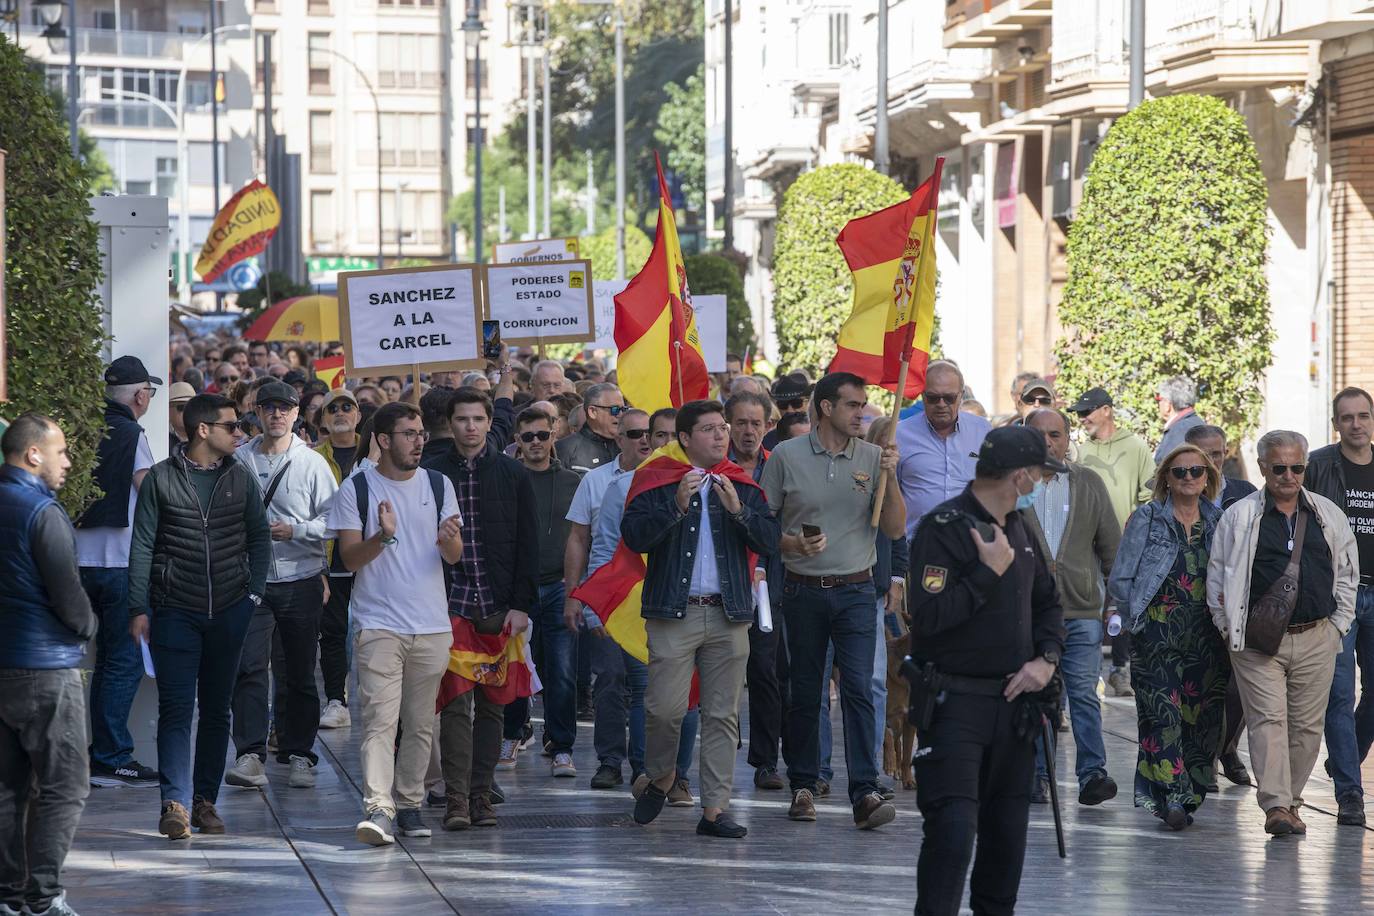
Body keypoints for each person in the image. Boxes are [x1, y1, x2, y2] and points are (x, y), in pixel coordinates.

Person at [906, 425, 1066, 915]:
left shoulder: (1020, 526)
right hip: (955, 704)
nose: (1042, 480)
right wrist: (986, 572)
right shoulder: (945, 527)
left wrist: (1046, 659)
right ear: (1020, 475)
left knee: (1005, 842)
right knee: (953, 832)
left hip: (1014, 707)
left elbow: (1048, 603)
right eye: (1039, 472)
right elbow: (929, 619)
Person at [625, 400, 780, 838]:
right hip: (674, 613)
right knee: (664, 710)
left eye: (723, 428)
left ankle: (715, 810)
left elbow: (769, 540)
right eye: (710, 429)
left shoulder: (742, 485)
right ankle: (660, 776)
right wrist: (675, 505)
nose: (721, 436)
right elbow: (634, 536)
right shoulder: (657, 480)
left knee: (722, 716)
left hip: (729, 613)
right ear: (685, 439)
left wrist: (739, 512)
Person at [760, 371, 905, 830]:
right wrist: (789, 546)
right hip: (802, 591)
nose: (862, 412)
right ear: (825, 408)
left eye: (864, 404)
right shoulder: (785, 455)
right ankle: (804, 784)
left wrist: (891, 477)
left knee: (860, 690)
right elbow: (763, 525)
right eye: (852, 405)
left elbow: (896, 529)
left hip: (858, 591)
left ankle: (864, 790)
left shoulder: (873, 455)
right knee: (805, 691)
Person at [127, 394, 271, 839]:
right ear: (203, 430)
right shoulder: (162, 479)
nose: (239, 433)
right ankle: (174, 802)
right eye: (231, 426)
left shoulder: (241, 478)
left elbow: (260, 538)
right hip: (175, 611)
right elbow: (143, 545)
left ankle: (204, 802)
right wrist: (138, 606)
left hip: (230, 608)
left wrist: (252, 595)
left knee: (215, 711)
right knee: (175, 710)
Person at [1208, 430, 1358, 836]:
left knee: (1308, 727)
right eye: (1279, 468)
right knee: (1268, 720)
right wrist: (1228, 629)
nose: (1289, 476)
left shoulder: (1328, 514)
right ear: (1262, 469)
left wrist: (1337, 626)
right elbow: (1218, 577)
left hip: (1317, 636)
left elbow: (1347, 575)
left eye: (1297, 468)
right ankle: (1275, 804)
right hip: (1257, 643)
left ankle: (1291, 801)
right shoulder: (1240, 516)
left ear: (1304, 468)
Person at [327, 401, 464, 846]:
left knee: (422, 722)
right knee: (381, 721)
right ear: (383, 440)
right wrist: (383, 536)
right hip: (378, 623)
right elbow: (348, 559)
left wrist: (451, 544)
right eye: (408, 433)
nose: (419, 440)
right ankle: (378, 807)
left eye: (421, 432)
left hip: (431, 625)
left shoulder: (440, 484)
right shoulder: (358, 488)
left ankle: (409, 804)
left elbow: (454, 557)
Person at [0, 415, 97, 916]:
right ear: (33, 454)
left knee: (9, 787)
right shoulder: (41, 510)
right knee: (64, 784)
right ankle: (41, 898)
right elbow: (69, 596)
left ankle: (9, 896)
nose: (68, 461)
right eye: (60, 452)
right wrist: (87, 627)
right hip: (44, 668)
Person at [429, 388, 537, 830]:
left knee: (494, 706)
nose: (470, 427)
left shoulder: (513, 474)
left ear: (490, 422)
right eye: (461, 419)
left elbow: (529, 544)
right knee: (455, 706)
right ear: (450, 424)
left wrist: (521, 606)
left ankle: (481, 795)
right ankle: (455, 798)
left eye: (477, 418)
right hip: (450, 605)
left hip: (497, 607)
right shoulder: (432, 475)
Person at [224, 382, 338, 791]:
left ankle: (300, 752)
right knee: (249, 666)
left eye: (284, 408)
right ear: (256, 412)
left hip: (300, 578)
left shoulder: (312, 464)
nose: (276, 415)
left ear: (296, 414)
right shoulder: (237, 460)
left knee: (299, 670)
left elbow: (336, 521)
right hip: (250, 580)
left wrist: (297, 530)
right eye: (269, 408)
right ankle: (250, 753)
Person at [1107, 443, 1227, 829]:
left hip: (1207, 635)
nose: (1189, 478)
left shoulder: (1220, 521)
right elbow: (1122, 577)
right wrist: (1131, 621)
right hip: (1157, 631)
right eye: (1180, 472)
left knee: (1201, 719)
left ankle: (1189, 794)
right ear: (1166, 480)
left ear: (1208, 478)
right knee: (1163, 716)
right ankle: (1171, 797)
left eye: (1197, 471)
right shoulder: (1146, 518)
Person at [595, 410, 702, 805]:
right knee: (647, 693)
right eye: (660, 435)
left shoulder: (705, 482)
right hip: (637, 603)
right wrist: (599, 608)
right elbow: (605, 549)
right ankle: (647, 774)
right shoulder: (622, 487)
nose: (666, 442)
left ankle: (681, 777)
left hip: (692, 605)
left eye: (676, 435)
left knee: (689, 697)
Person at [1019, 409, 1121, 807]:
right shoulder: (1014, 486)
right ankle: (1037, 776)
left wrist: (1116, 604)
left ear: (1067, 438)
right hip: (1028, 614)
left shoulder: (1088, 483)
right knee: (1037, 696)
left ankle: (1093, 774)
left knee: (1082, 693)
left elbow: (1111, 547)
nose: (1048, 442)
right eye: (1038, 434)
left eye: (1056, 434)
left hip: (1080, 610)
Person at [77, 356, 161, 789]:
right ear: (140, 395)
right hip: (120, 564)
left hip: (74, 561)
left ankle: (87, 755)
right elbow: (149, 492)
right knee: (121, 662)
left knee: (81, 662)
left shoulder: (79, 427)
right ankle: (110, 757)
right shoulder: (132, 433)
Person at [818, 417, 909, 798]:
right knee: (817, 683)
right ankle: (817, 771)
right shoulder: (842, 473)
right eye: (883, 443)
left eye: (895, 445)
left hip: (870, 591)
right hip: (820, 586)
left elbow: (898, 531)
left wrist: (897, 579)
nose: (890, 450)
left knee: (872, 681)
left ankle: (868, 772)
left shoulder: (891, 479)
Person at [564, 409, 648, 788]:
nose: (644, 440)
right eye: (635, 434)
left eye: (651, 433)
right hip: (611, 598)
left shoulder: (673, 479)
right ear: (619, 439)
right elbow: (583, 541)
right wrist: (580, 599)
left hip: (654, 602)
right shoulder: (598, 482)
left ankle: (646, 766)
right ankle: (610, 761)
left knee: (647, 685)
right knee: (611, 679)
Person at [1306, 387, 1374, 826]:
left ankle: (1345, 759)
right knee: (1339, 693)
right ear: (1336, 424)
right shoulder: (1318, 465)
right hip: (1340, 595)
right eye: (1347, 417)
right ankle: (1349, 791)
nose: (1356, 424)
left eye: (1363, 416)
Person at [1183, 423, 1257, 788]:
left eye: (1217, 453)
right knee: (1200, 684)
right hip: (1190, 602)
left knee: (1238, 688)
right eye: (1203, 454)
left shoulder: (1245, 493)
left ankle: (1226, 747)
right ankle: (1206, 759)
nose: (1211, 461)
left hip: (1236, 604)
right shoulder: (1180, 490)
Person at [1070, 386, 1155, 698]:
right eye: (1078, 413)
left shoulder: (1135, 447)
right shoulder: (1081, 452)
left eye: (1087, 411)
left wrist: (1137, 532)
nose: (1082, 418)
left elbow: (1148, 495)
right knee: (1089, 608)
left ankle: (1121, 670)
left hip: (1124, 544)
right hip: (1082, 546)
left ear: (1106, 410)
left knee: (1122, 606)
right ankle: (1089, 673)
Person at [512, 406, 581, 776]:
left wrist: (577, 586)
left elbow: (581, 536)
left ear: (554, 435)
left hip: (559, 586)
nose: (536, 442)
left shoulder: (573, 481)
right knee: (513, 666)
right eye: (528, 436)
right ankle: (512, 733)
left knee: (562, 670)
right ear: (517, 440)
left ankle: (562, 745)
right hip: (518, 588)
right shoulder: (508, 477)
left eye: (542, 435)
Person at [727, 392, 787, 790]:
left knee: (766, 672)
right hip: (725, 582)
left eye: (756, 423)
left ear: (768, 426)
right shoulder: (716, 467)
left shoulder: (778, 466)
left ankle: (765, 761)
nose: (749, 431)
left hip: (770, 588)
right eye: (742, 423)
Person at [896, 360, 992, 538]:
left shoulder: (983, 430)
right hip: (918, 547)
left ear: (961, 395)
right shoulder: (900, 434)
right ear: (923, 396)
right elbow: (891, 492)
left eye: (949, 398)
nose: (941, 404)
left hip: (972, 545)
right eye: (933, 398)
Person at [315, 387, 361, 730]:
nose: (341, 412)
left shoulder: (378, 453)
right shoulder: (313, 459)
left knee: (375, 633)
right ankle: (336, 699)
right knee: (332, 633)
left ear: (358, 415)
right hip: (330, 561)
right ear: (324, 420)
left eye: (348, 407)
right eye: (334, 409)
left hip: (372, 558)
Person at [556, 382, 624, 474]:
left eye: (623, 410)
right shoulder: (565, 449)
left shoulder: (629, 446)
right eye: (615, 410)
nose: (620, 415)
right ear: (592, 412)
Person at [1154, 376, 1204, 463]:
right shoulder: (1199, 424)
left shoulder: (1177, 432)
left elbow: (1164, 470)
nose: (1158, 404)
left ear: (1167, 404)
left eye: (1159, 400)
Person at [763, 372, 812, 451]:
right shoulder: (767, 442)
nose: (790, 410)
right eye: (783, 404)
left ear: (809, 402)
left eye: (796, 403)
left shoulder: (825, 437)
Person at [168, 381, 195, 452]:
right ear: (168, 410)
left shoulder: (203, 436)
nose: (188, 411)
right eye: (182, 407)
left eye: (192, 406)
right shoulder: (161, 437)